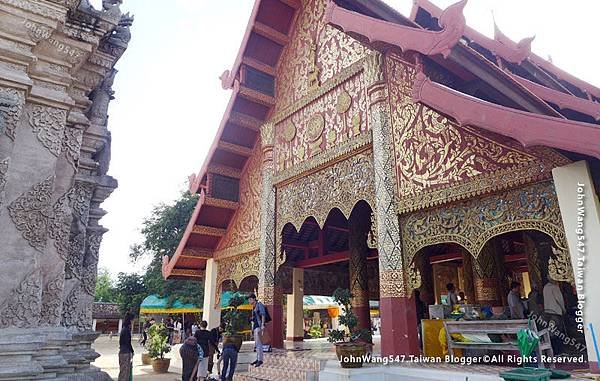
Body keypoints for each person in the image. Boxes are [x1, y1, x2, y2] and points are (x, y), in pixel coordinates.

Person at [544, 279, 566, 354]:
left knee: (551, 332)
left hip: (547, 313)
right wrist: (563, 309)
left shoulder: (545, 287)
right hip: (556, 312)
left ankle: (553, 351)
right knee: (558, 332)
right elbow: (559, 300)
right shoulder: (555, 287)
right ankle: (559, 351)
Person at [248, 293, 267, 367]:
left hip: (259, 326)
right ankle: (257, 358)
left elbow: (263, 314)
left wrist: (262, 324)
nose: (249, 301)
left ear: (254, 299)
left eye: (250, 299)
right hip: (255, 327)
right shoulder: (254, 306)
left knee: (259, 344)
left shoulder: (259, 305)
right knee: (256, 344)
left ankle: (260, 360)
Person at [118, 313, 134, 381]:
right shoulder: (126, 330)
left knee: (123, 372)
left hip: (122, 352)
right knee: (125, 373)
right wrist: (132, 351)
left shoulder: (123, 329)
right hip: (126, 353)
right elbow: (128, 343)